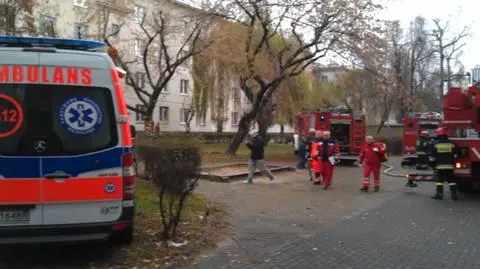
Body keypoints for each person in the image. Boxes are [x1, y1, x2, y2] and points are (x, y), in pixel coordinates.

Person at [431, 127, 459, 201]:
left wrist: (433, 166)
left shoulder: (435, 144)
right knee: (451, 181)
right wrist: (454, 160)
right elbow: (458, 153)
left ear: (438, 135)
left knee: (440, 181)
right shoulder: (452, 143)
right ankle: (454, 195)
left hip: (439, 166)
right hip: (450, 166)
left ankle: (439, 194)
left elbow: (432, 156)